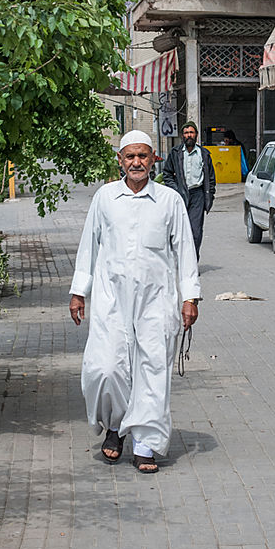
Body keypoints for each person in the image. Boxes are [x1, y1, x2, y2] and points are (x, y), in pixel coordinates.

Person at [69, 130, 200, 474]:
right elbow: (89, 245)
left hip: (156, 300)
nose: (137, 162)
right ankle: (116, 424)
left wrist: (190, 297)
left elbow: (185, 249)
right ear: (120, 161)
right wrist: (79, 290)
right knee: (106, 367)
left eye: (143, 156)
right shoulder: (105, 198)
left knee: (152, 369)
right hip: (111, 299)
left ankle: (145, 443)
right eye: (130, 156)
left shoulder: (170, 201)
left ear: (154, 159)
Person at [162, 121, 216, 259]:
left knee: (195, 231)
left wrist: (210, 196)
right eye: (186, 133)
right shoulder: (175, 153)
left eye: (191, 132)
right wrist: (175, 190)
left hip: (198, 195)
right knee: (178, 230)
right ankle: (179, 260)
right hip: (180, 194)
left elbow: (210, 178)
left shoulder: (204, 154)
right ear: (182, 136)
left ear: (196, 135)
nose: (189, 135)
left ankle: (192, 261)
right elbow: (167, 174)